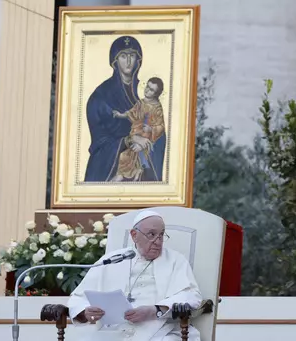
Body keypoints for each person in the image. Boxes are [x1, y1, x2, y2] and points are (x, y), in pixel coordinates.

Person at [67, 210, 202, 341]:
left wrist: (154, 311)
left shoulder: (176, 260)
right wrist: (85, 311)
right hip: (113, 332)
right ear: (134, 235)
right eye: (151, 234)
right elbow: (79, 298)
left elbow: (192, 296)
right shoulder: (112, 259)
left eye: (161, 235)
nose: (158, 241)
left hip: (160, 330)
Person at [84, 36, 166, 182]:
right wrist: (129, 140)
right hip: (110, 166)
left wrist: (149, 135)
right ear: (115, 61)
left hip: (144, 164)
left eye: (132, 55)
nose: (128, 61)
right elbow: (99, 142)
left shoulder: (145, 92)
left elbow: (160, 129)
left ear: (138, 60)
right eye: (123, 56)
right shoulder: (101, 96)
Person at [111, 77, 165, 181]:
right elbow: (132, 113)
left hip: (147, 137)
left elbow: (161, 127)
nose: (147, 90)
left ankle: (138, 171)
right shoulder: (141, 103)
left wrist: (151, 129)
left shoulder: (157, 107)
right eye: (147, 87)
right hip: (136, 133)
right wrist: (120, 115)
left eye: (151, 90)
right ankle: (131, 173)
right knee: (125, 155)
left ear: (156, 94)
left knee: (137, 153)